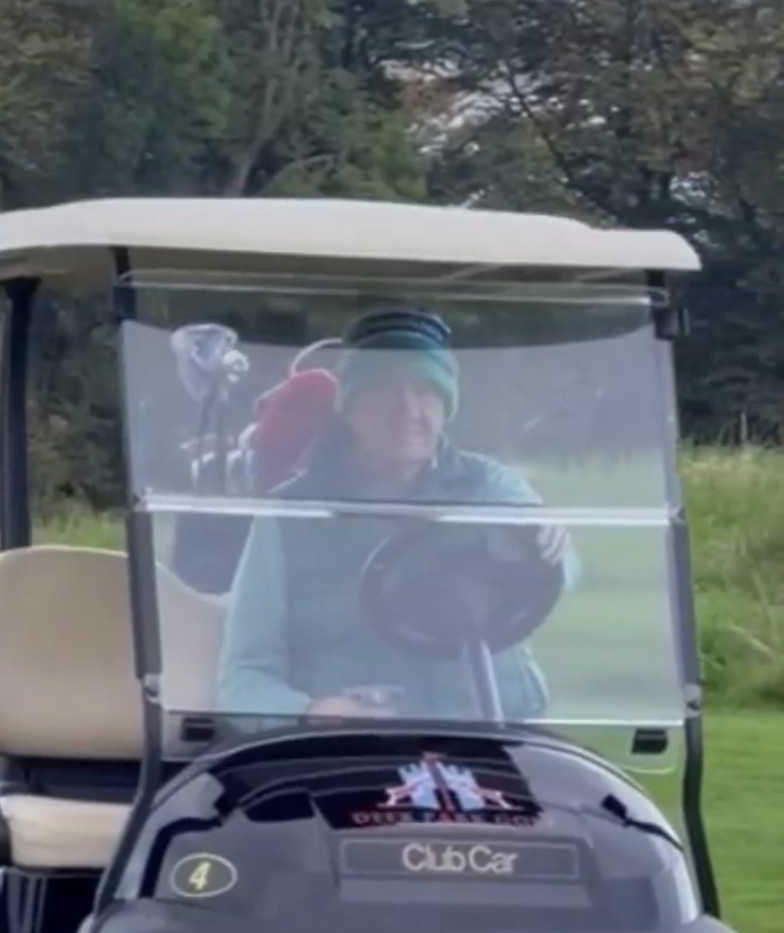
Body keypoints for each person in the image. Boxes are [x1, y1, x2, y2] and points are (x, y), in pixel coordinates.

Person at [215, 309, 580, 724]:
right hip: (355, 743)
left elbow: (560, 568)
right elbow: (244, 677)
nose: (408, 410)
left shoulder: (489, 487)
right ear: (350, 407)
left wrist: (548, 540)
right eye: (384, 391)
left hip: (493, 729)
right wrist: (309, 713)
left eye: (425, 390)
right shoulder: (289, 516)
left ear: (445, 405)